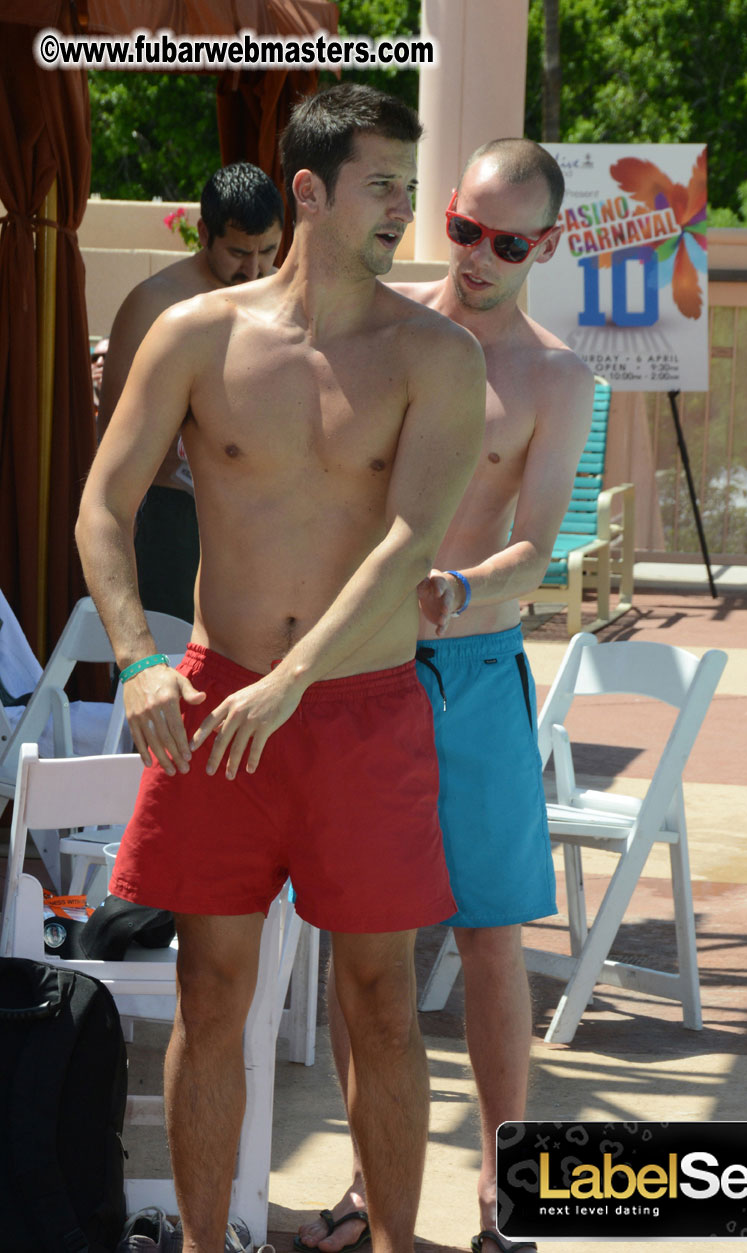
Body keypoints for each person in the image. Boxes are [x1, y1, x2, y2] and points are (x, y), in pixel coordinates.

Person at [75, 83, 486, 1253]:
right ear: (307, 189)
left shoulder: (436, 354)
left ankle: (397, 1243)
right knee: (210, 997)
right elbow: (102, 508)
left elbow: (410, 540)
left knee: (382, 1008)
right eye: (383, 186)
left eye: (412, 187)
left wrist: (295, 676)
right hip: (209, 702)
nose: (404, 211)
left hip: (358, 709)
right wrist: (142, 659)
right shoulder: (197, 334)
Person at [297, 138, 594, 1253]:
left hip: (469, 669)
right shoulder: (383, 328)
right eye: (463, 228)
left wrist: (457, 586)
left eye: (505, 242)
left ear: (546, 246)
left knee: (487, 937)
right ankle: (376, 1186)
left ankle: (501, 1182)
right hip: (361, 669)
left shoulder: (555, 377)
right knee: (362, 939)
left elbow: (541, 542)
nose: (475, 255)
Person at [97, 162, 284, 624]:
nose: (254, 268)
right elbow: (112, 443)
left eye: (269, 251)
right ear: (203, 233)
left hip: (263, 521)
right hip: (173, 520)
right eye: (239, 252)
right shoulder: (156, 303)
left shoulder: (285, 297)